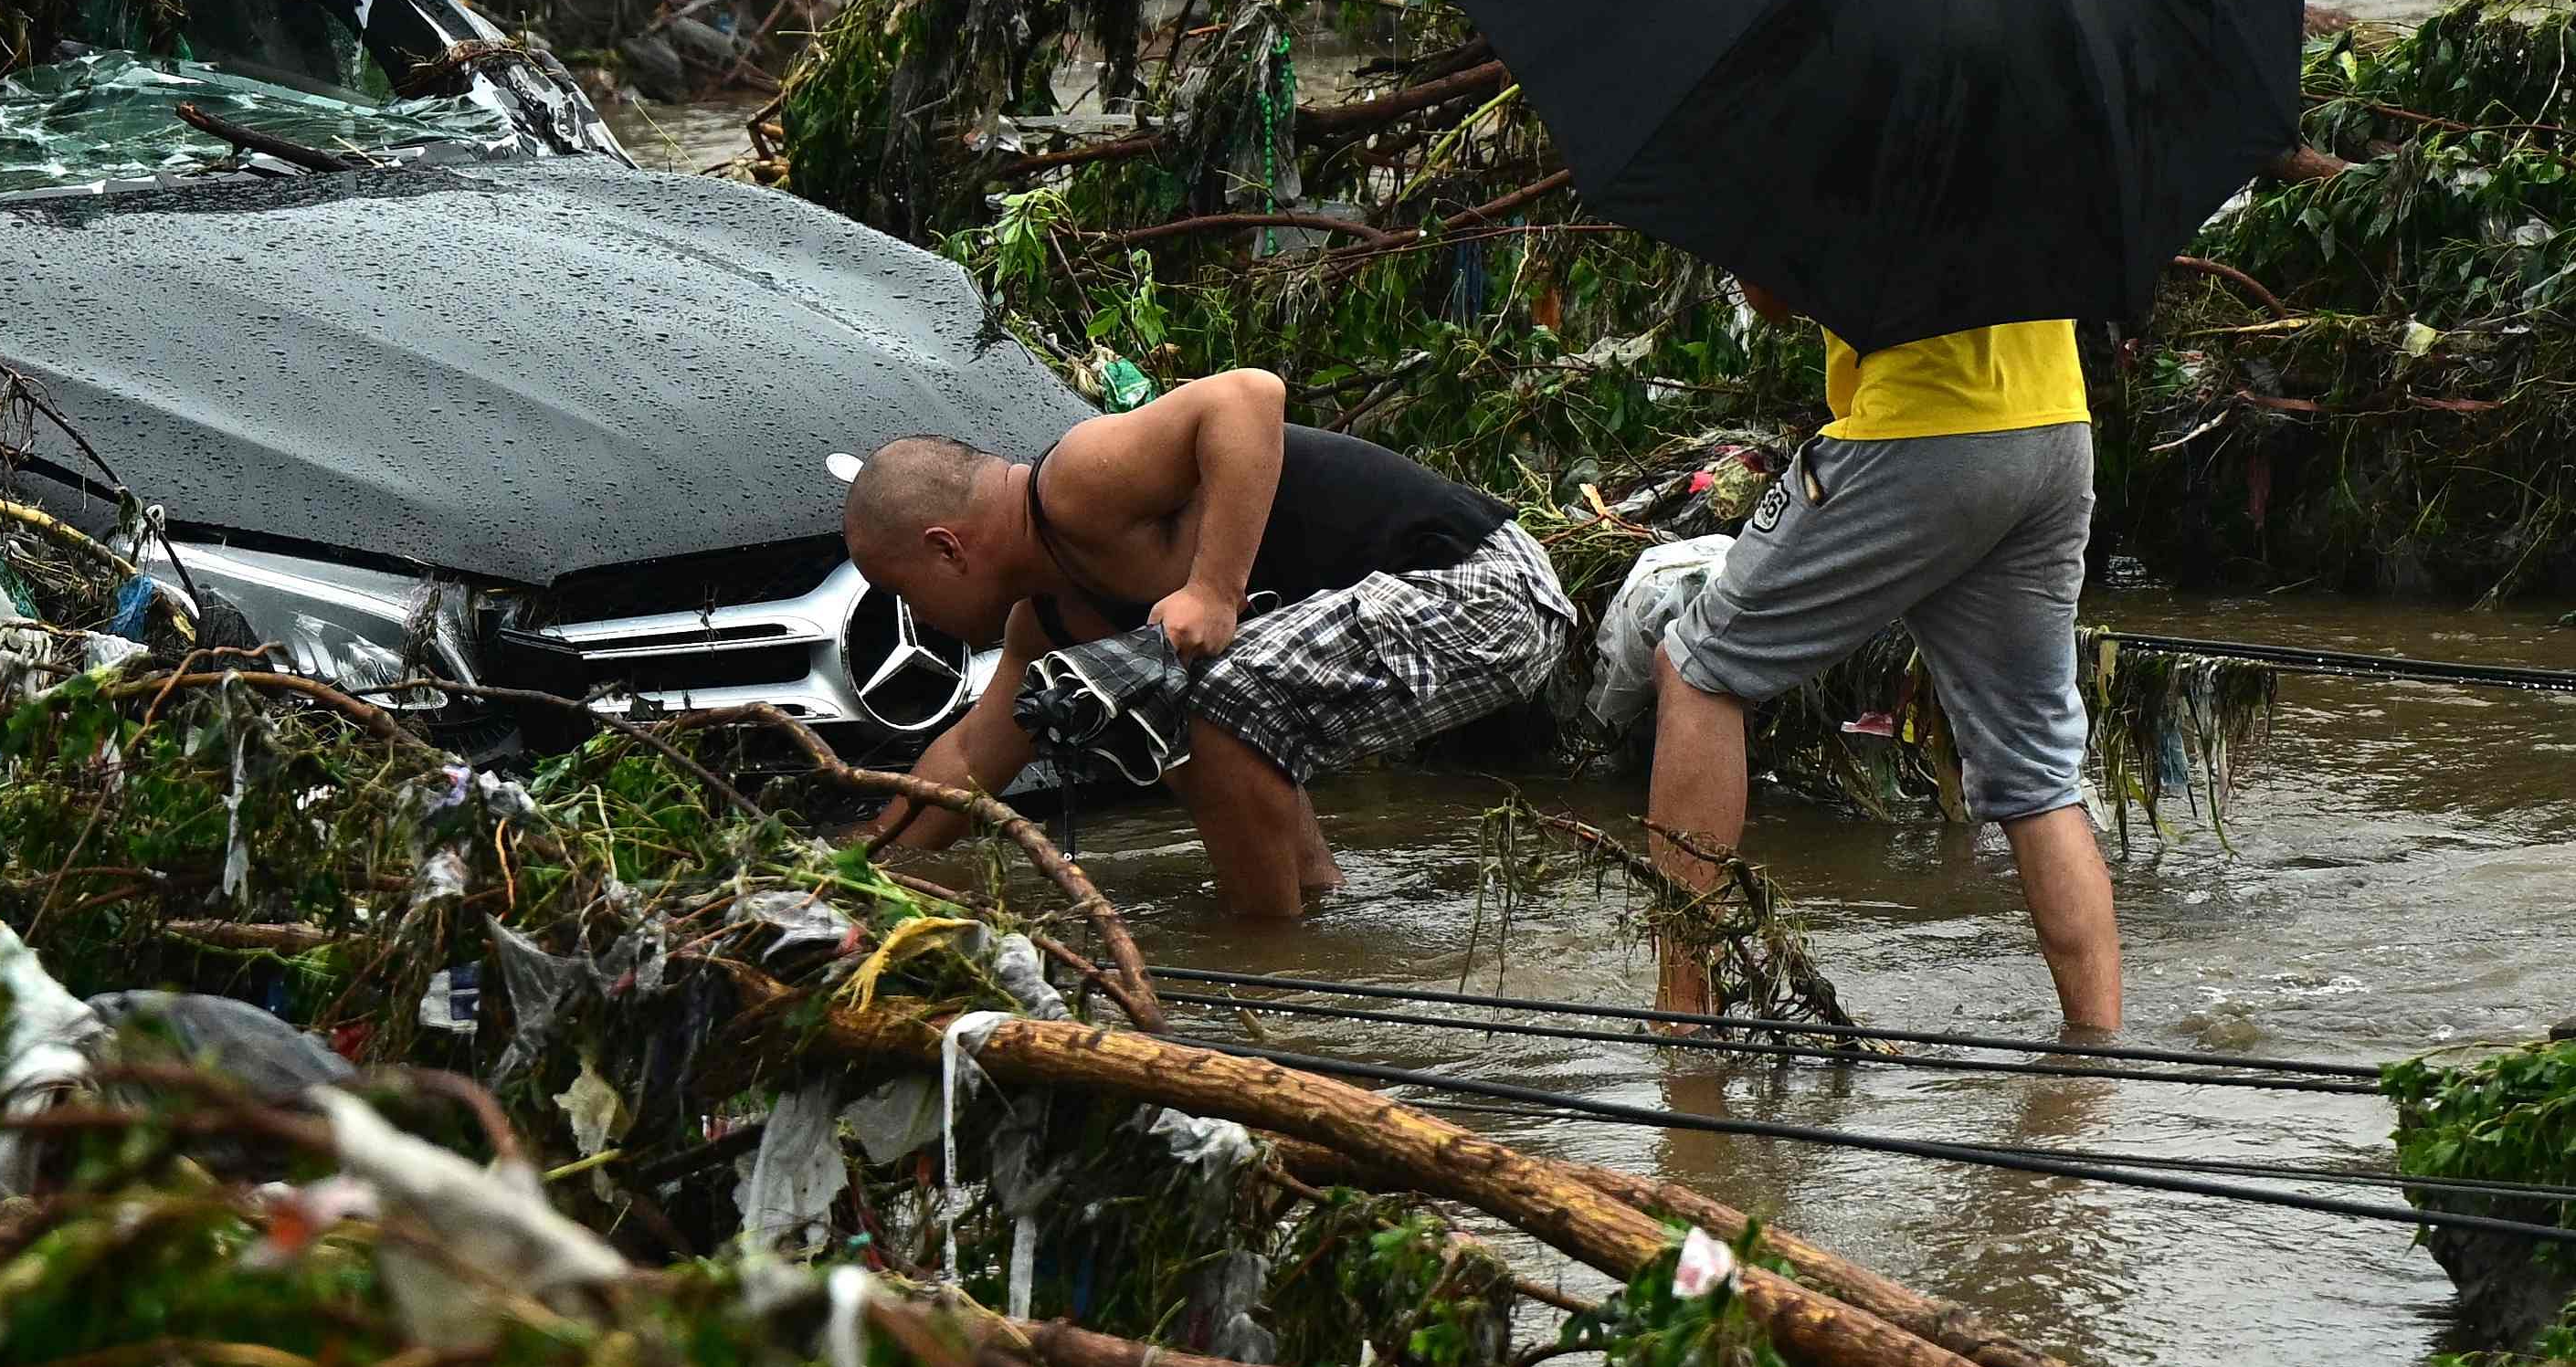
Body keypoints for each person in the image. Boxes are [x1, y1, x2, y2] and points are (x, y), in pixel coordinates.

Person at [841, 368, 1571, 922]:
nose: (917, 617)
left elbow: (1250, 394)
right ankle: (1318, 922)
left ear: (947, 548)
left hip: (1487, 590)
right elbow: (968, 758)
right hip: (1417, 618)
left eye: (904, 593)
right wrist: (854, 866)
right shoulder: (1051, 621)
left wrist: (1215, 588)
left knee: (1216, 703)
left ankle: (1270, 963)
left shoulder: (1075, 483)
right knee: (1200, 716)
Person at [1646, 306, 2118, 1038]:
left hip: (1920, 427)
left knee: (1697, 666)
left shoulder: (1873, 180)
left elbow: (1771, 293)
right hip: (2054, 428)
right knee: (2039, 772)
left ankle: (1680, 1017)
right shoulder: (2027, 183)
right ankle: (2098, 1059)